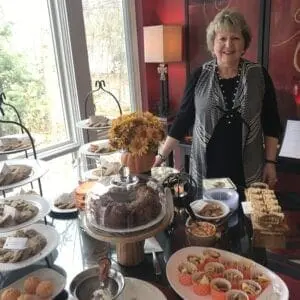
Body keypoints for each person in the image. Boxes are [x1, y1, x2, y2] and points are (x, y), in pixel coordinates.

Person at [153, 9, 281, 197]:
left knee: (246, 219)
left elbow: (271, 122)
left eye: (235, 38)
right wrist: (161, 156)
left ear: (244, 44)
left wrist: (271, 163)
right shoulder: (199, 75)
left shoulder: (259, 75)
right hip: (208, 167)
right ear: (213, 44)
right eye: (222, 38)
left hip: (247, 167)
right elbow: (184, 118)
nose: (228, 45)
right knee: (207, 219)